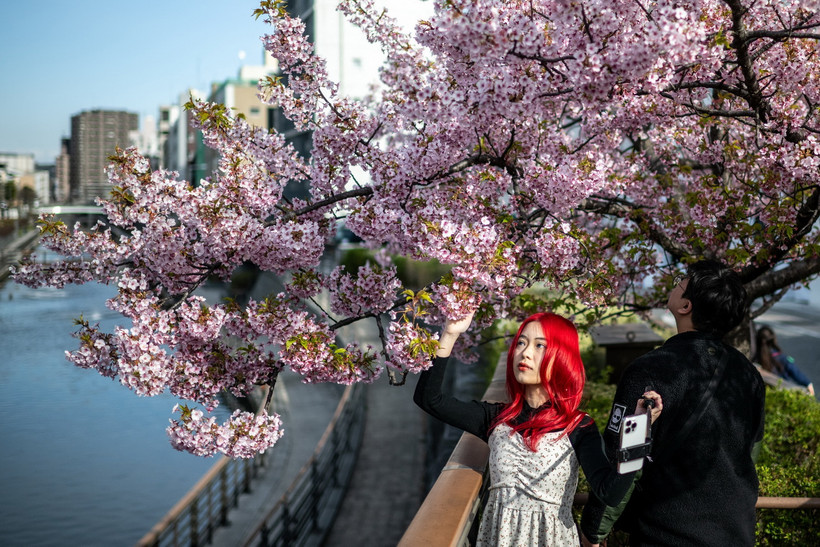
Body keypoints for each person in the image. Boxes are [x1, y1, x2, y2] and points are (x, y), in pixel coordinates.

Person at [414, 310, 662, 546]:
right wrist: (450, 333)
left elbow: (610, 494)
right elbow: (428, 399)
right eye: (521, 343)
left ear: (561, 357)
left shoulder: (579, 426)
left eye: (539, 345)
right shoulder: (496, 418)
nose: (525, 353)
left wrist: (639, 430)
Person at [580, 260, 766, 546]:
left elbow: (626, 456)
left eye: (682, 282)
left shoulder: (650, 369)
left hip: (665, 533)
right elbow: (750, 452)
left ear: (685, 306)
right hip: (735, 532)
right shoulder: (749, 375)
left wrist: (594, 529)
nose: (676, 283)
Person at [754, 325, 815, 396]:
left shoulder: (755, 359)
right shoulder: (781, 357)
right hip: (782, 391)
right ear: (773, 339)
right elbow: (796, 373)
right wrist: (808, 383)